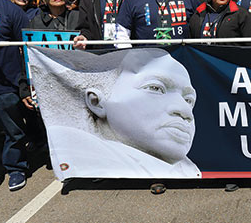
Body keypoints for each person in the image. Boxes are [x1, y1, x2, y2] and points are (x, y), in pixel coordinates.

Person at [28, 47, 201, 179]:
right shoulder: (79, 149)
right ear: (96, 102)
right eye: (155, 88)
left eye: (189, 100)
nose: (185, 111)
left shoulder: (189, 169)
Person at [0, 0, 30, 190]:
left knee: (12, 130)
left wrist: (24, 86)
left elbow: (27, 48)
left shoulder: (9, 10)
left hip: (6, 83)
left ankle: (15, 168)